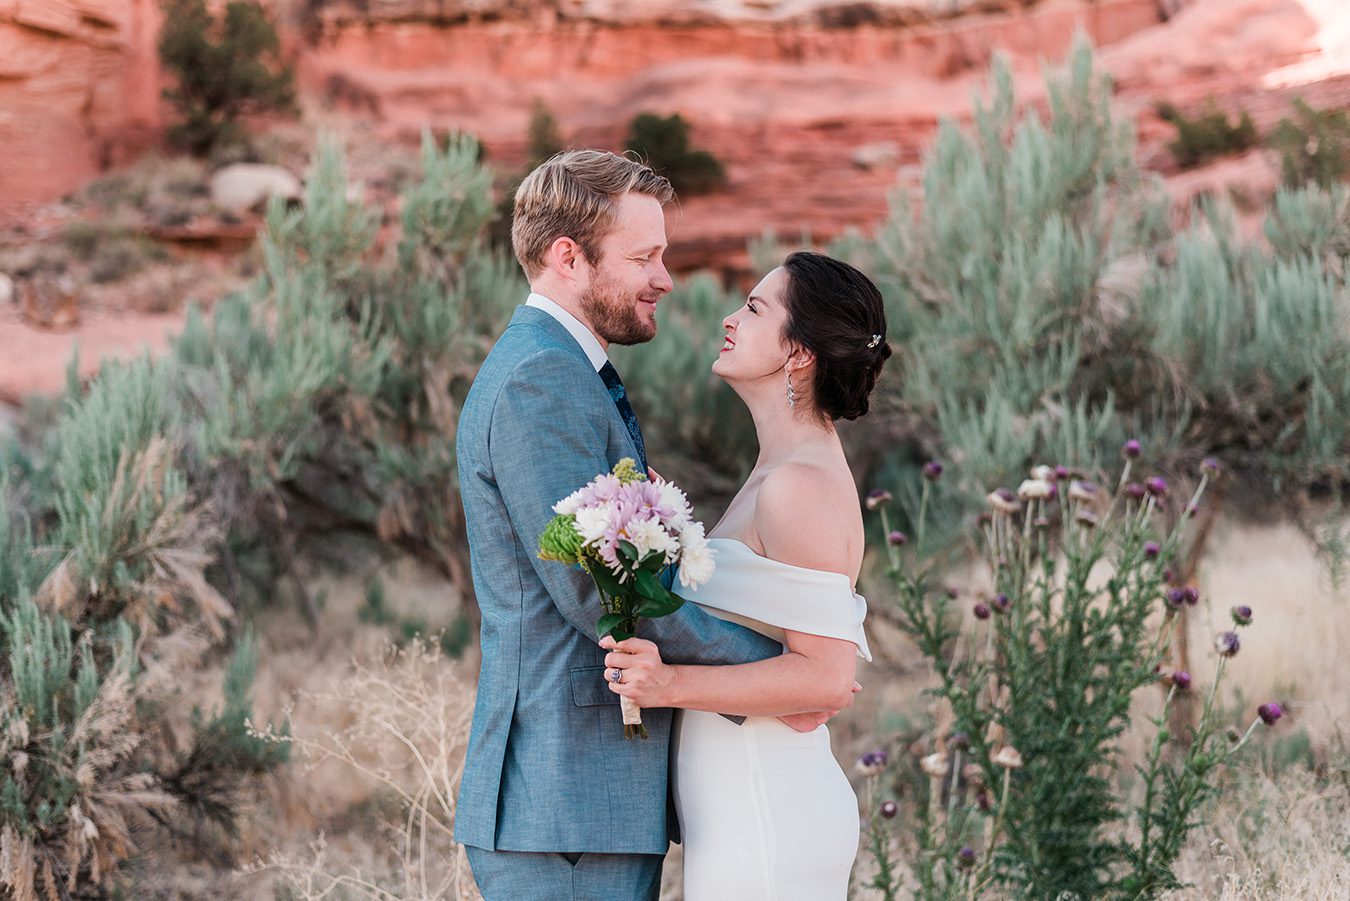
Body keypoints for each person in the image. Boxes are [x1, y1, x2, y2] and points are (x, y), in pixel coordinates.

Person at [454, 150, 845, 900]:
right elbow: (597, 590)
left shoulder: (564, 368)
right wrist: (786, 671)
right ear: (568, 256)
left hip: (582, 804)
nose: (666, 278)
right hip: (566, 800)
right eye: (645, 257)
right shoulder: (544, 378)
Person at [601, 250, 890, 899]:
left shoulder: (798, 485)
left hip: (767, 811)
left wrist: (666, 682)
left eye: (756, 308)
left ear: (800, 354)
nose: (731, 318)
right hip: (743, 809)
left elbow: (825, 674)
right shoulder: (778, 471)